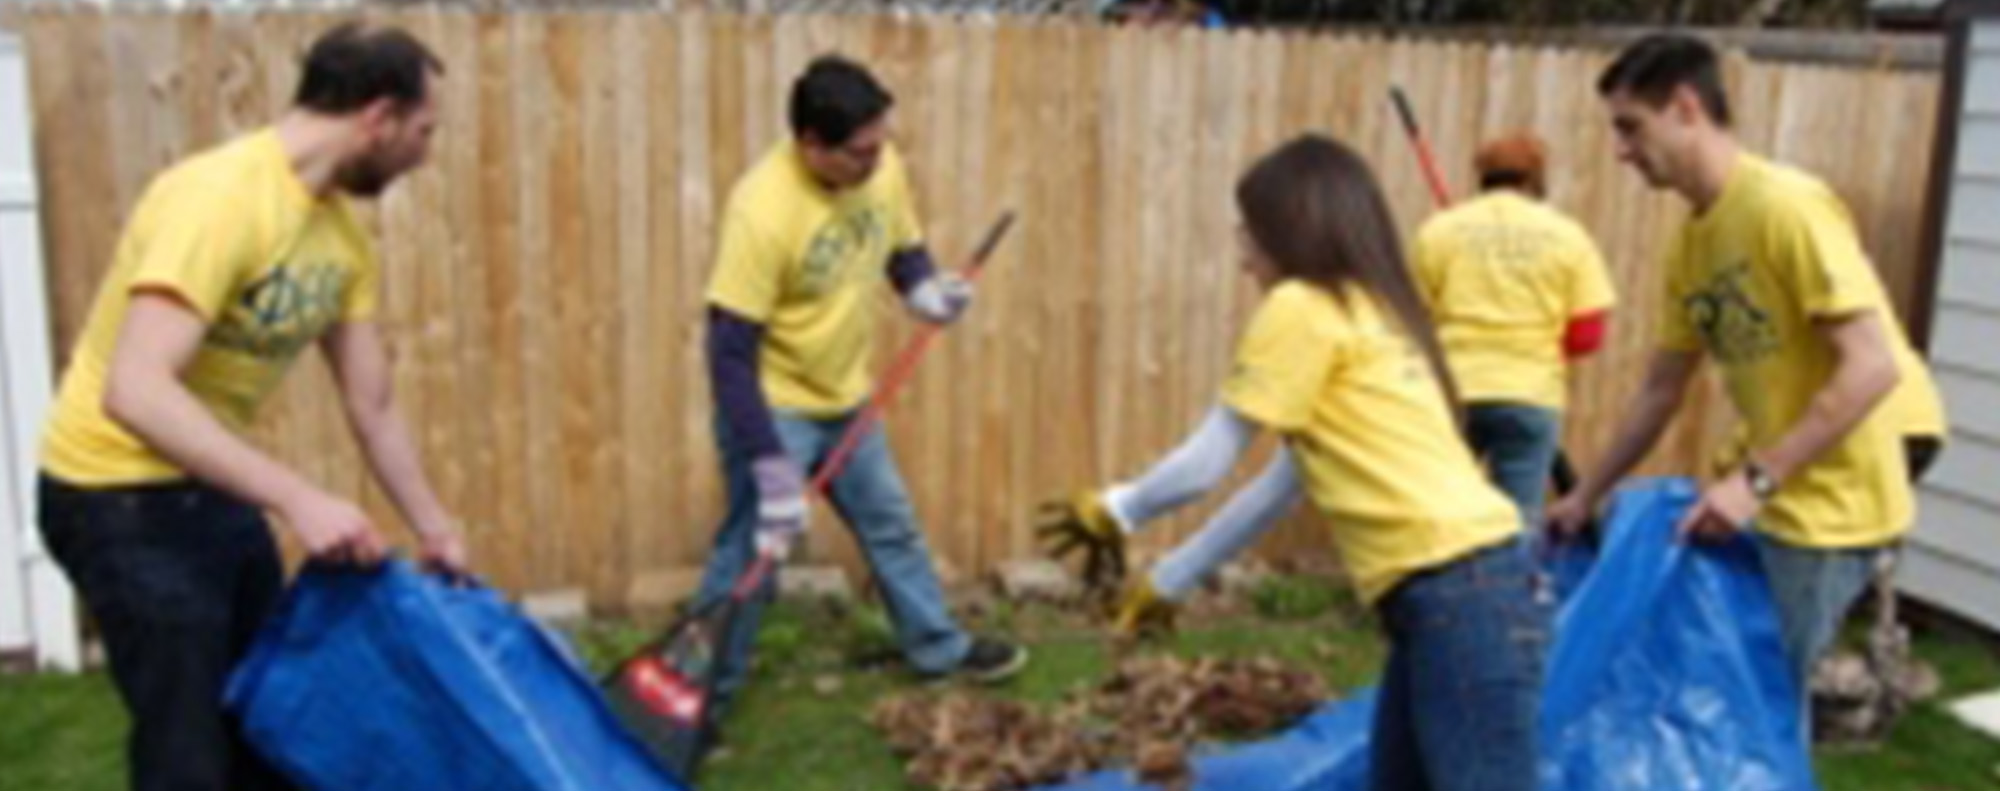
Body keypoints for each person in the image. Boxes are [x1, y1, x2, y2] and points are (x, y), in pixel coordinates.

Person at [1042, 134, 1547, 791]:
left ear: (1289, 231)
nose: (1242, 253)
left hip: (1459, 590)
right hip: (1463, 589)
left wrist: (1118, 508)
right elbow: (1281, 487)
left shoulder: (1302, 308)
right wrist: (1172, 576)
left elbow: (1209, 459)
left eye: (1248, 230)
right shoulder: (1372, 311)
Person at [35, 23, 466, 791]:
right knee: (190, 757)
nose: (426, 154)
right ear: (378, 116)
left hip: (213, 493)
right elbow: (134, 388)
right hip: (114, 497)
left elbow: (373, 403)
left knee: (275, 721)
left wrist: (434, 524)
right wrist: (298, 497)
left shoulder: (340, 240)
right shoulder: (219, 199)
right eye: (424, 131)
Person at [1547, 34, 1942, 707]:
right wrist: (1587, 494)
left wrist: (1754, 482)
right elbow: (1659, 389)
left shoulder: (1784, 206)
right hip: (1773, 490)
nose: (1619, 150)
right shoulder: (1692, 243)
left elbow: (1872, 367)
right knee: (1728, 697)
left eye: (1630, 127)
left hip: (1833, 503)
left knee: (1761, 710)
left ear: (1685, 106)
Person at [693, 55, 1027, 720]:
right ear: (810, 144)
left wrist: (924, 291)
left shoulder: (881, 167)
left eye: (881, 144)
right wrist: (770, 464)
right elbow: (729, 352)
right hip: (775, 405)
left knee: (891, 524)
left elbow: (900, 245)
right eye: (859, 153)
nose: (876, 162)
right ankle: (702, 693)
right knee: (752, 556)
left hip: (848, 396)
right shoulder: (762, 210)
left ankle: (937, 648)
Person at [1410, 133, 1616, 530]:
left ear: (1481, 176)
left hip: (1455, 392)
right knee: (1520, 518)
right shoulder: (1567, 236)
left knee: (1440, 514)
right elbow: (1587, 334)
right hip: (1529, 392)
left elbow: (1413, 318)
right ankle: (1513, 590)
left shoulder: (1440, 231)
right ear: (1536, 178)